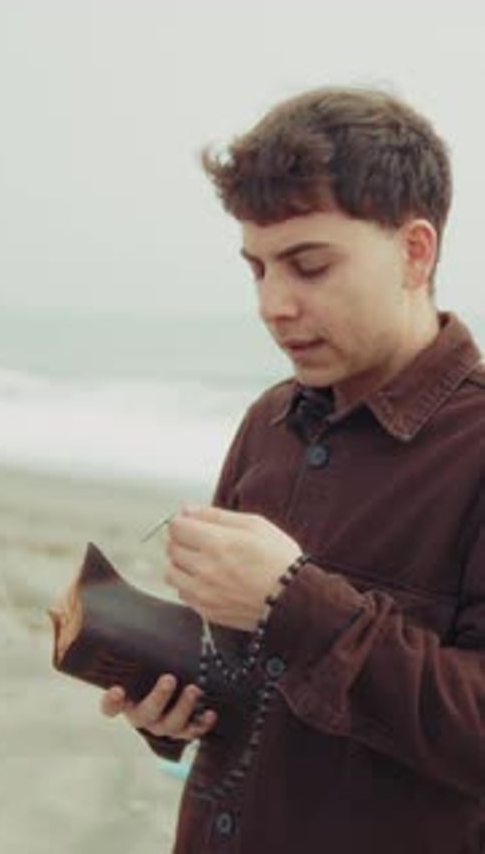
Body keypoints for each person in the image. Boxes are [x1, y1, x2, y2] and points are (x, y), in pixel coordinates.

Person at [100, 87, 485, 853]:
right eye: (257, 270)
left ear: (416, 251)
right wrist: (175, 709)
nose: (274, 305)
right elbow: (258, 694)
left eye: (309, 267)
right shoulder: (268, 422)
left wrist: (295, 600)